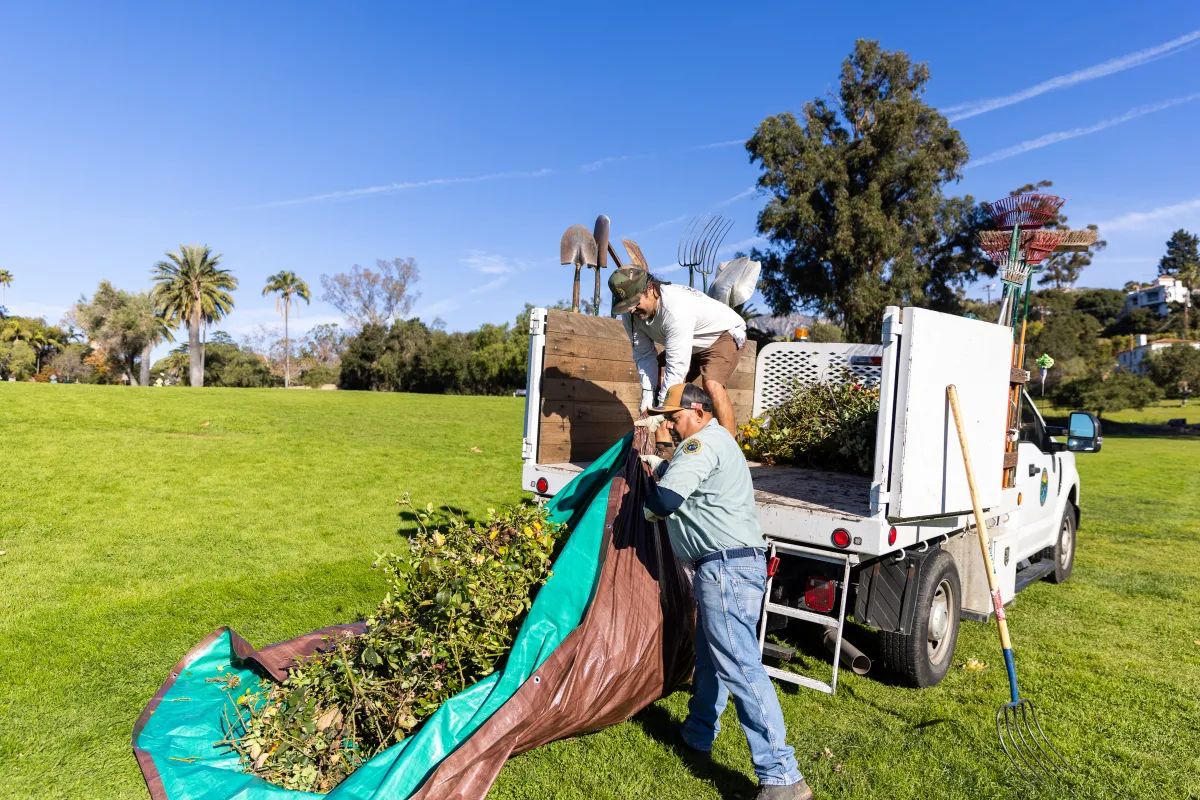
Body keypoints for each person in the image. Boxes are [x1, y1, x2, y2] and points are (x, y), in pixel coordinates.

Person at [641, 383, 811, 800]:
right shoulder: (715, 442)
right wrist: (654, 463)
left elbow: (664, 502)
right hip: (728, 568)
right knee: (714, 659)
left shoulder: (701, 445)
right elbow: (681, 482)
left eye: (675, 416)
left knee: (739, 667)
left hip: (725, 571)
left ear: (698, 412)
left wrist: (645, 500)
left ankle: (782, 777)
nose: (670, 425)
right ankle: (698, 733)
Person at [609, 267, 747, 438]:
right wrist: (647, 398)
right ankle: (664, 450)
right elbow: (644, 355)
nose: (631, 310)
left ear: (651, 289)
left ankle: (729, 450)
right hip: (689, 341)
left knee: (712, 385)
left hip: (721, 334)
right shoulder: (630, 315)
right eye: (626, 305)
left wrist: (661, 410)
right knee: (657, 382)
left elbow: (676, 368)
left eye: (635, 303)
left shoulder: (675, 308)